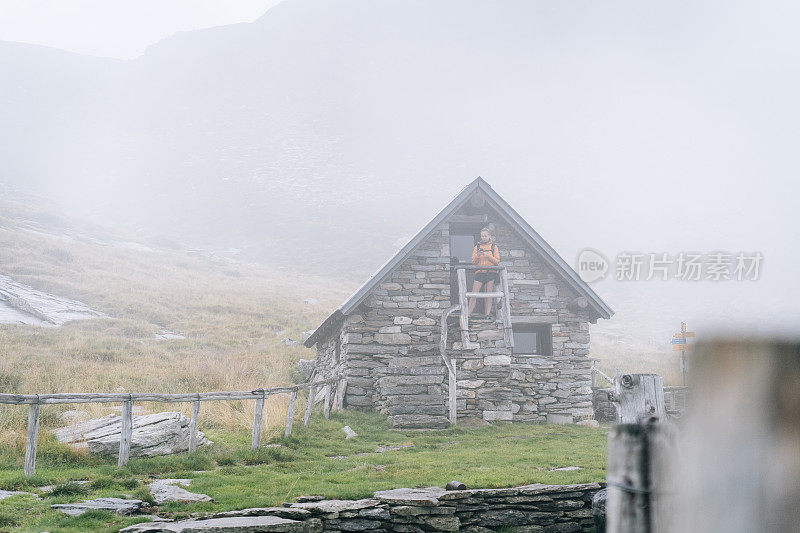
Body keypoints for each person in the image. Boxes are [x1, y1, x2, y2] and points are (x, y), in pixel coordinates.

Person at [468, 227, 500, 317]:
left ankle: (487, 314)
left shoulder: (494, 247)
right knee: (474, 294)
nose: (484, 237)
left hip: (491, 272)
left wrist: (488, 256)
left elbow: (497, 261)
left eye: (485, 236)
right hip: (480, 272)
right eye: (482, 236)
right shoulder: (477, 247)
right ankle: (468, 314)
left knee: (488, 294)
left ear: (489, 236)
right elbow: (473, 262)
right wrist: (478, 255)